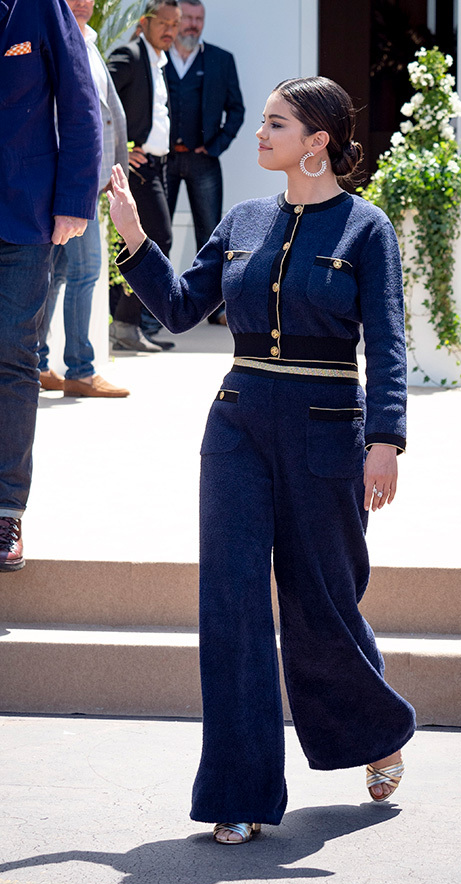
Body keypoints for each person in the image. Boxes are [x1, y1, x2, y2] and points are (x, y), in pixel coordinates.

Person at [107, 76, 416, 842]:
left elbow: (387, 342)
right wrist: (135, 237)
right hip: (238, 428)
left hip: (327, 437)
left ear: (317, 140)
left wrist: (386, 441)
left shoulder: (365, 228)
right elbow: (181, 308)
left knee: (324, 606)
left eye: (276, 124)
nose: (259, 134)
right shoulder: (244, 219)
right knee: (232, 609)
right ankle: (237, 793)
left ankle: (376, 731)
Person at [0, 0, 102, 572]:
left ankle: (5, 510)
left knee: (14, 357)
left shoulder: (41, 7)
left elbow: (80, 103)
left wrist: (73, 201)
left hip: (24, 216)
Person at [38, 0, 130, 399]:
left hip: (88, 181)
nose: (81, 2)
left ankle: (37, 363)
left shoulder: (89, 40)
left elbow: (106, 113)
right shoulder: (56, 38)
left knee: (57, 276)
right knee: (84, 273)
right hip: (71, 185)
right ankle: (80, 369)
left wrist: (115, 171)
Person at [107, 0, 181, 352]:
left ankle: (128, 324)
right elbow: (97, 94)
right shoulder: (131, 54)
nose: (170, 30)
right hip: (137, 167)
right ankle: (124, 321)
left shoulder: (159, 61)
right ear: (145, 22)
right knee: (159, 238)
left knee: (150, 240)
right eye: (163, 22)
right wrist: (121, 148)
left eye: (175, 24)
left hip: (158, 164)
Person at [165, 0, 244, 325]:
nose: (193, 25)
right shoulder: (157, 56)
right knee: (156, 232)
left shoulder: (221, 60)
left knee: (211, 236)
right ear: (176, 20)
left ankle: (216, 308)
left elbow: (236, 110)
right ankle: (149, 308)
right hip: (162, 160)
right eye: (188, 19)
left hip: (203, 161)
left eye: (199, 19)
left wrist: (215, 147)